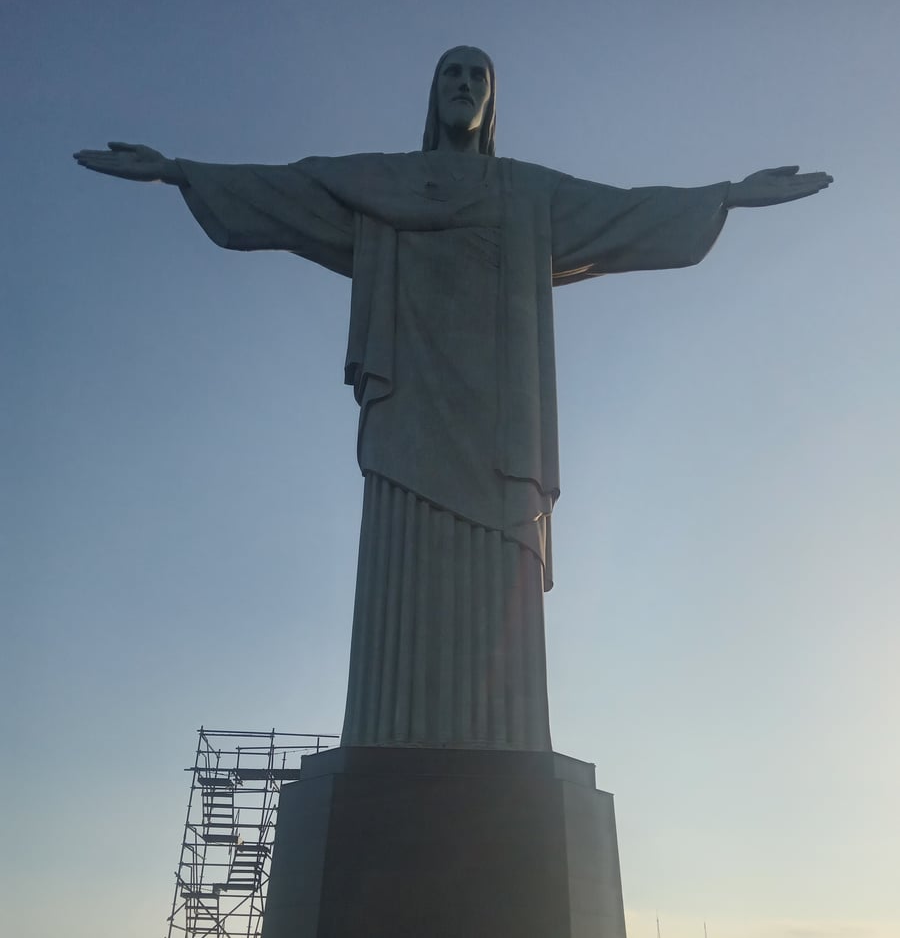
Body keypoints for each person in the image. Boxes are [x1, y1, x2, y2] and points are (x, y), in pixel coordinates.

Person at [74, 46, 832, 752]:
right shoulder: (380, 183)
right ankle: (387, 736)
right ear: (433, 94)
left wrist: (729, 197)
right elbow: (289, 189)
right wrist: (177, 172)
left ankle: (504, 744)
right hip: (407, 407)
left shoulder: (527, 192)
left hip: (501, 424)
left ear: (492, 101)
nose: (464, 85)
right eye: (451, 73)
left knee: (499, 573)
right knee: (400, 570)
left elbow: (624, 212)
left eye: (478, 76)